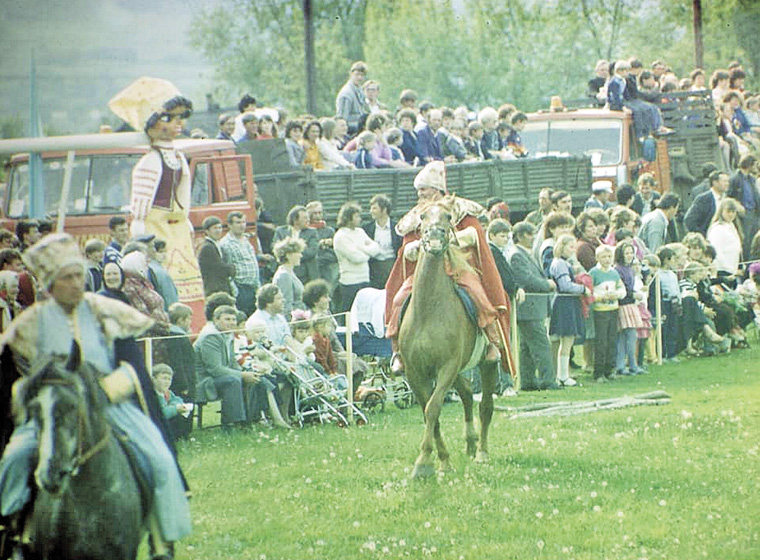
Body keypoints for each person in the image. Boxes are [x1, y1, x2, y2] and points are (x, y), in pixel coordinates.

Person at [0, 233, 190, 555]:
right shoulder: (32, 323)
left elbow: (133, 367)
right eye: (67, 278)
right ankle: (14, 531)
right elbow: (13, 378)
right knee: (16, 458)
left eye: (78, 275)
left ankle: (161, 536)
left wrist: (103, 390)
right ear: (49, 284)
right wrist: (33, 394)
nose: (76, 283)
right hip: (52, 410)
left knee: (158, 457)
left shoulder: (107, 311)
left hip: (107, 406)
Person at [384, 162, 514, 375]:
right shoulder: (416, 215)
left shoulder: (459, 210)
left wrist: (449, 239)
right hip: (424, 272)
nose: (420, 195)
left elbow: (474, 235)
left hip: (457, 267)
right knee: (398, 299)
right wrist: (416, 247)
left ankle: (492, 340)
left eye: (424, 190)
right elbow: (406, 249)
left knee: (476, 292)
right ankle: (398, 350)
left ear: (436, 190)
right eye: (419, 191)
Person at [128, 92, 204, 309]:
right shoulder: (151, 160)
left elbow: (183, 191)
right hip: (156, 223)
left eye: (182, 117)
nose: (178, 123)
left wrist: (184, 216)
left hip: (176, 224)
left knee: (187, 274)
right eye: (170, 118)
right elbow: (141, 202)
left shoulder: (177, 156)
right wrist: (139, 224)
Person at [507, 222, 557, 391]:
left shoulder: (524, 253)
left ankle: (528, 381)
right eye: (529, 234)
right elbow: (526, 280)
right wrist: (547, 284)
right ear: (519, 236)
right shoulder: (516, 255)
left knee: (527, 348)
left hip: (533, 307)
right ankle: (548, 381)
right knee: (541, 345)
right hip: (529, 308)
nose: (533, 237)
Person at [548, 234, 590, 387]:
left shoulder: (564, 263)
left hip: (567, 302)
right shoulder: (560, 264)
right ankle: (563, 375)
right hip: (565, 302)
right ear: (561, 247)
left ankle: (563, 374)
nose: (573, 250)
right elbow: (565, 285)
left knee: (568, 340)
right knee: (566, 340)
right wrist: (583, 289)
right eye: (570, 247)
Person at [333, 202, 380, 315]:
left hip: (365, 279)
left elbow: (376, 249)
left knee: (365, 314)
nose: (360, 219)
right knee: (350, 315)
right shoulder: (340, 236)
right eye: (357, 216)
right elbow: (356, 257)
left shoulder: (360, 232)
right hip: (350, 283)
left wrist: (360, 247)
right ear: (348, 218)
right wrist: (366, 251)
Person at [589, 244, 626, 382]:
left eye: (609, 256)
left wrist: (616, 295)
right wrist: (599, 297)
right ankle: (598, 372)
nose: (607, 259)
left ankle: (610, 369)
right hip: (600, 311)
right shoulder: (594, 273)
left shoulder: (614, 273)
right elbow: (589, 292)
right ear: (598, 257)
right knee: (601, 341)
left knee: (612, 340)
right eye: (604, 256)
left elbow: (622, 290)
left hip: (613, 309)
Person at [220, 211, 260, 317]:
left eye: (243, 222)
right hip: (240, 288)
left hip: (253, 286)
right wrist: (234, 290)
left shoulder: (246, 240)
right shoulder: (226, 244)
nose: (242, 225)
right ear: (229, 225)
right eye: (238, 223)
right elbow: (226, 269)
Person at [614, 242, 646, 375]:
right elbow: (623, 288)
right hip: (624, 304)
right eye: (626, 253)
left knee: (627, 336)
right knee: (628, 336)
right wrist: (633, 294)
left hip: (631, 304)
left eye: (631, 253)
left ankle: (624, 364)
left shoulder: (629, 269)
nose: (629, 255)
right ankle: (629, 364)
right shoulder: (618, 269)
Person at [273, 205, 320, 285]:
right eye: (305, 217)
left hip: (307, 275)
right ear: (295, 220)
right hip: (286, 274)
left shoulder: (312, 232)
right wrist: (297, 250)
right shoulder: (280, 231)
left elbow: (311, 252)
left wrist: (289, 253)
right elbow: (276, 250)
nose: (308, 220)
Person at [363, 194, 402, 290]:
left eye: (374, 208)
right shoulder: (367, 229)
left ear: (384, 210)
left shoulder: (397, 228)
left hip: (392, 266)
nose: (371, 211)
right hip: (374, 268)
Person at [727, 155, 759, 259]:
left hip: (754, 212)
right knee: (746, 241)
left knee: (755, 239)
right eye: (754, 164)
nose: (756, 167)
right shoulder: (735, 179)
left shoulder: (751, 179)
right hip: (744, 213)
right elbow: (729, 196)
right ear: (749, 164)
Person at [152, 363, 193, 443]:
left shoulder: (168, 393)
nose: (167, 382)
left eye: (169, 379)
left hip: (167, 421)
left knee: (181, 415)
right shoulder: (154, 395)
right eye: (164, 378)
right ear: (154, 379)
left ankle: (180, 437)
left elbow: (178, 399)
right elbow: (162, 413)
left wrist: (175, 405)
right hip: (155, 425)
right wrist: (176, 408)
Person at [197, 216, 236, 297]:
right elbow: (220, 269)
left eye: (220, 227)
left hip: (221, 288)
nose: (218, 231)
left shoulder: (216, 245)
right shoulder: (207, 247)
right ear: (207, 231)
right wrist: (232, 268)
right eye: (215, 228)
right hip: (215, 290)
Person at [707, 198, 744, 279]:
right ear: (721, 212)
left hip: (732, 270)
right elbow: (716, 252)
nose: (731, 214)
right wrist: (729, 269)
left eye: (733, 212)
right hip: (722, 270)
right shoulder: (717, 229)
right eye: (728, 211)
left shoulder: (732, 227)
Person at [685, 171, 730, 235]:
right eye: (724, 181)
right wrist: (702, 236)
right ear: (715, 182)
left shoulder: (727, 199)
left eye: (728, 181)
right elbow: (689, 220)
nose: (727, 184)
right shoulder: (703, 199)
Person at [272, 237, 307, 320]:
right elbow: (286, 305)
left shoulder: (290, 272)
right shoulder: (284, 275)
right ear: (288, 255)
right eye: (298, 252)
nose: (301, 255)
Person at [335, 61, 369, 135]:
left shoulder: (360, 90)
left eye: (362, 75)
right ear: (351, 74)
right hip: (350, 133)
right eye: (357, 75)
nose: (359, 77)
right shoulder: (346, 94)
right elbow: (342, 119)